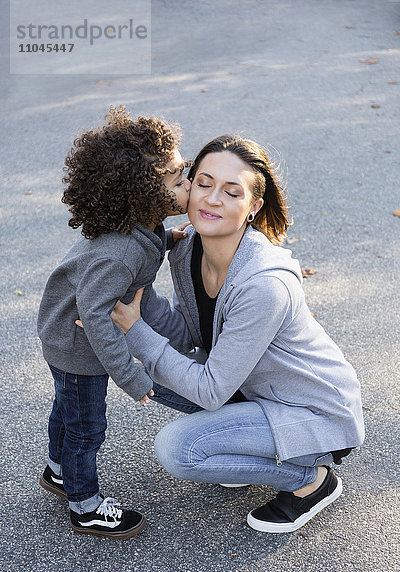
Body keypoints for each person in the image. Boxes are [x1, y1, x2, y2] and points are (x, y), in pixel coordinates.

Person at [108, 134, 365, 534]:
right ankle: (244, 443)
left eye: (231, 192)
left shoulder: (264, 284)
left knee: (178, 449)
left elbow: (210, 390)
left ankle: (310, 481)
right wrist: (130, 304)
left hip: (314, 414)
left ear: (253, 207)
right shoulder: (188, 249)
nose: (211, 200)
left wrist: (136, 330)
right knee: (146, 365)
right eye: (204, 183)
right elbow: (188, 337)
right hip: (251, 388)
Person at [37, 106, 191, 540]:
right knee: (87, 426)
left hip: (64, 333)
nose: (188, 182)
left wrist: (168, 238)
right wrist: (131, 376)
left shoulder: (139, 227)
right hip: (78, 345)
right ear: (144, 193)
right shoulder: (118, 255)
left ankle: (58, 471)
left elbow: (146, 240)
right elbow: (97, 320)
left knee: (67, 410)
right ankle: (84, 506)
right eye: (178, 178)